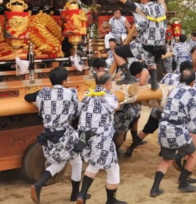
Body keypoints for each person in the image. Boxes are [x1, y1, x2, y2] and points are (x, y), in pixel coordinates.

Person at [24, 67, 87, 203]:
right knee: (76, 162)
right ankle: (75, 195)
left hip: (49, 136)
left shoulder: (43, 93)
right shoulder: (71, 93)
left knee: (58, 164)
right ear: (65, 81)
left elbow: (28, 97)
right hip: (65, 134)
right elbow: (76, 113)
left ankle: (39, 185)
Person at [103, 0, 166, 90]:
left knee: (117, 51)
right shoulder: (162, 8)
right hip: (160, 47)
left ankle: (127, 76)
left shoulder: (143, 8)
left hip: (145, 46)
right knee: (150, 55)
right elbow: (161, 2)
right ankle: (153, 81)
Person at [150, 69, 196, 196]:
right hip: (177, 128)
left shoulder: (173, 90)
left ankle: (155, 188)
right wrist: (194, 132)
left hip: (163, 126)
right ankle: (183, 183)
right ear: (193, 82)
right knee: (194, 153)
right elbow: (193, 118)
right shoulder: (194, 92)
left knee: (167, 159)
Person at [76, 71, 125, 204]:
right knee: (113, 166)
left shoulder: (88, 94)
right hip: (102, 138)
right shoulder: (109, 96)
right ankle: (111, 200)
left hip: (85, 137)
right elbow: (117, 107)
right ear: (108, 84)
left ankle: (82, 195)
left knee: (94, 164)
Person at [114, 62, 149, 155]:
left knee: (133, 122)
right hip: (126, 107)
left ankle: (135, 141)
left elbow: (116, 77)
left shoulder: (122, 73)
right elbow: (142, 83)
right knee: (121, 131)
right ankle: (115, 152)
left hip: (120, 106)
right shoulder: (138, 79)